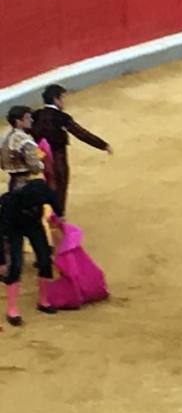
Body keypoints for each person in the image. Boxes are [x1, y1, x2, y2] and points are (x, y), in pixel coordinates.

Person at [30, 84, 112, 216]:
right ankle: (57, 217)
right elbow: (81, 134)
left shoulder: (36, 115)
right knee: (60, 186)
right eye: (62, 98)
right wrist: (102, 145)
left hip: (42, 158)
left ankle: (48, 214)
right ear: (56, 99)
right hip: (58, 157)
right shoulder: (61, 118)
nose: (64, 102)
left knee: (49, 184)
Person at [0, 177, 64, 326]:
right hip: (14, 228)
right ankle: (11, 309)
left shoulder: (42, 190)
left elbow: (54, 201)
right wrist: (2, 261)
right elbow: (1, 234)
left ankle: (43, 301)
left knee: (44, 260)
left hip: (34, 225)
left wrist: (60, 217)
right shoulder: (9, 204)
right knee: (15, 264)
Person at [0, 105, 43, 192]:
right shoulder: (25, 140)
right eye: (27, 118)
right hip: (26, 183)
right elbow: (35, 168)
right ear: (18, 121)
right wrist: (41, 162)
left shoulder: (4, 137)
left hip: (12, 182)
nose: (31, 120)